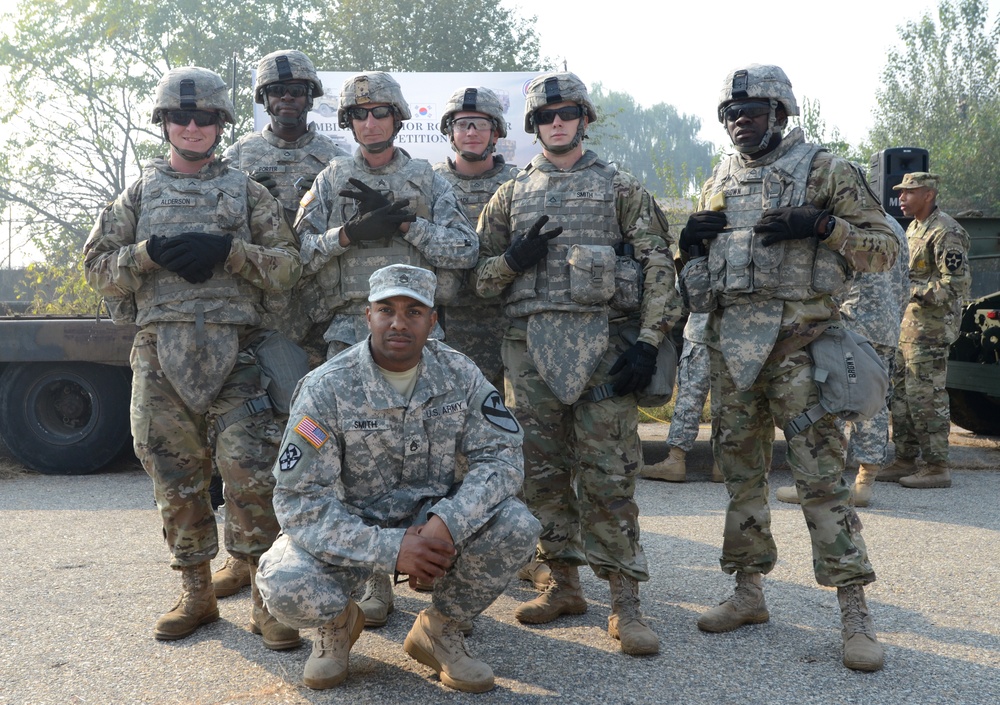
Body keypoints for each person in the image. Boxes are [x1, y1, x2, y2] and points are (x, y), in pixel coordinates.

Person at [678, 64, 898, 672]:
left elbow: (884, 250)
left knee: (822, 481)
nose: (739, 122)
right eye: (730, 113)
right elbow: (702, 285)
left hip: (800, 350)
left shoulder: (826, 170)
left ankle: (855, 615)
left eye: (751, 111)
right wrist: (690, 250)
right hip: (732, 353)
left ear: (781, 112)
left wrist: (823, 226)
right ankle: (749, 594)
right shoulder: (719, 177)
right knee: (740, 478)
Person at [82, 67, 302, 648]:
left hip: (239, 355)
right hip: (160, 353)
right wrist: (148, 255)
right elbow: (97, 271)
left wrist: (230, 253)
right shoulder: (138, 195)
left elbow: (287, 269)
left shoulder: (247, 193)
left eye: (205, 117)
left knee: (251, 480)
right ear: (164, 124)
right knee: (175, 479)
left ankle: (264, 600)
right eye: (181, 117)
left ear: (221, 124)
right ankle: (198, 595)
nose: (193, 126)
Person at [256, 264, 539, 693]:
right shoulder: (326, 388)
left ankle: (441, 629)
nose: (399, 323)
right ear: (367, 316)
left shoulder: (460, 375)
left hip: (435, 523)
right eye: (386, 309)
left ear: (432, 321)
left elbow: (501, 458)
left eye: (414, 311)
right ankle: (338, 623)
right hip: (353, 527)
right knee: (284, 583)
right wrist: (390, 548)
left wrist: (449, 520)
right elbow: (299, 501)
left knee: (518, 526)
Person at [474, 71, 682, 656]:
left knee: (610, 477)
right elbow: (480, 279)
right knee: (540, 476)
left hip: (605, 352)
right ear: (533, 126)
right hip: (532, 350)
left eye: (566, 113)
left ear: (584, 119)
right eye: (545, 116)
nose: (556, 123)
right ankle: (562, 584)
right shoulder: (511, 195)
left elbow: (658, 269)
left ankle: (626, 603)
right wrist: (514, 260)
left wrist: (647, 342)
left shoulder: (621, 189)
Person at [295, 71, 479, 627]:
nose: (369, 122)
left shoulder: (425, 179)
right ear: (347, 123)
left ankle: (436, 564)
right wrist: (349, 235)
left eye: (379, 112)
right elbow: (298, 254)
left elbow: (464, 250)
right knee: (352, 463)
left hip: (419, 335)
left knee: (432, 454)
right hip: (351, 336)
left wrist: (407, 224)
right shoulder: (330, 180)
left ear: (398, 119)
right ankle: (372, 577)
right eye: (358, 114)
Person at [432, 85, 549, 591]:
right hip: (452, 326)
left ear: (498, 132)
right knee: (454, 440)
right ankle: (456, 540)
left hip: (514, 324)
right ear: (450, 132)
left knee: (524, 435)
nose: (471, 130)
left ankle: (531, 545)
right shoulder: (431, 184)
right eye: (462, 123)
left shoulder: (520, 185)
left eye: (481, 123)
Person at [223, 49, 348, 366]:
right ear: (265, 99)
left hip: (318, 301)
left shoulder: (337, 159)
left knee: (316, 405)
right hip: (259, 302)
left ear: (310, 98)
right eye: (278, 90)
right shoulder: (237, 158)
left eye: (297, 91)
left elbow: (352, 230)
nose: (287, 98)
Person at [776, 214, 909, 506]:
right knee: (873, 399)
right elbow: (904, 280)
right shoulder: (893, 226)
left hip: (849, 324)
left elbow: (830, 277)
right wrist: (893, 322)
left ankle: (825, 482)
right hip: (885, 326)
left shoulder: (844, 221)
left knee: (831, 398)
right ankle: (865, 482)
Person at [881, 172, 971, 490]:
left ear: (929, 195)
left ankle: (936, 466)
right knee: (904, 397)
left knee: (927, 397)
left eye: (909, 192)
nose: (902, 198)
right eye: (901, 192)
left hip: (931, 330)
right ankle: (905, 459)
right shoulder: (915, 227)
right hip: (909, 328)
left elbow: (955, 285)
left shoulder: (946, 231)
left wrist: (910, 289)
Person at [640, 312, 723, 483]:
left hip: (701, 331)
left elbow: (684, 291)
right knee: (728, 398)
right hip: (736, 333)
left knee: (690, 396)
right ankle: (723, 463)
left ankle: (676, 460)